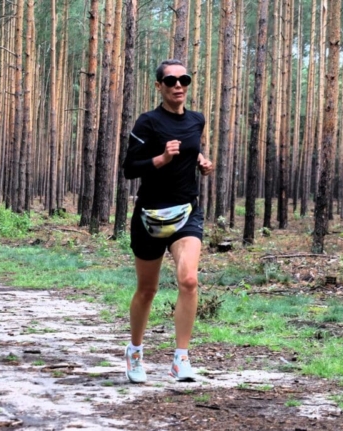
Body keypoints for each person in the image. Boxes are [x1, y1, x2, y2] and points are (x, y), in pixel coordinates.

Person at [122, 59, 214, 384]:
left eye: (183, 79)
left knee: (188, 280)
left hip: (186, 212)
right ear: (159, 85)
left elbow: (191, 150)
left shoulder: (197, 120)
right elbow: (129, 168)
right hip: (150, 215)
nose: (178, 85)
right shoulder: (147, 122)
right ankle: (135, 351)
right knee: (147, 290)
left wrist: (201, 161)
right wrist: (160, 159)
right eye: (171, 80)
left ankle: (181, 359)